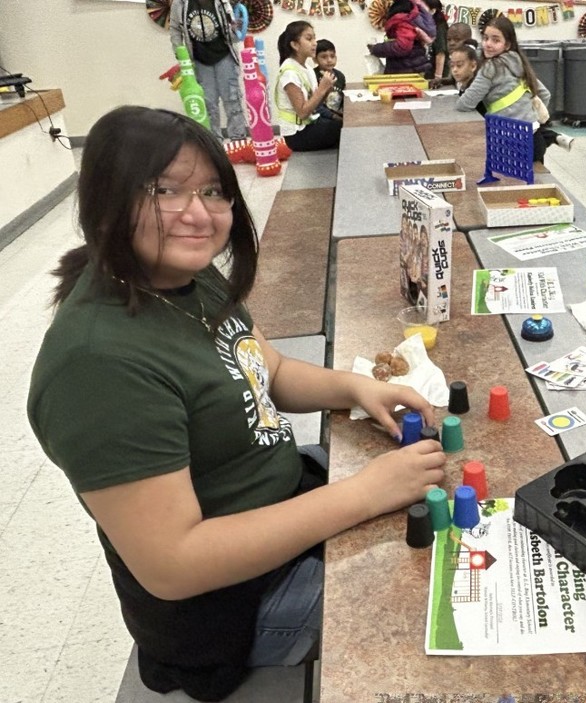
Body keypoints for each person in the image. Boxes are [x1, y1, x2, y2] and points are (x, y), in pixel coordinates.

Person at [26, 105, 446, 701]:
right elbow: (174, 564)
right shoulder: (97, 367)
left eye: (213, 191)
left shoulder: (183, 279)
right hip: (235, 608)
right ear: (106, 199)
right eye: (165, 191)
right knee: (430, 582)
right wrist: (363, 493)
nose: (198, 214)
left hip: (285, 509)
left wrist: (356, 388)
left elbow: (262, 366)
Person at [455, 16, 572, 163]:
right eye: (485, 38)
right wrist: (528, 116)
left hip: (512, 146)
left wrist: (463, 86)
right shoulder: (519, 61)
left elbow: (464, 104)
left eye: (495, 40)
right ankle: (550, 136)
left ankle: (551, 136)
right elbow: (545, 94)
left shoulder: (490, 68)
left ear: (507, 44)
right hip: (535, 141)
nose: (488, 44)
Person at [169, 0, 248, 140]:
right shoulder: (180, 4)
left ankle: (238, 138)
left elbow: (234, 29)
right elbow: (175, 28)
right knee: (208, 103)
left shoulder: (222, 2)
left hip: (224, 56)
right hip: (200, 60)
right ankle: (214, 141)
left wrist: (236, 28)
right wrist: (180, 53)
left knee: (232, 99)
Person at [274, 21, 341, 151]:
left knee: (343, 124)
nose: (315, 43)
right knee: (343, 130)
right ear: (295, 45)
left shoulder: (307, 69)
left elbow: (314, 105)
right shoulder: (290, 72)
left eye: (314, 38)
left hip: (310, 123)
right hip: (297, 134)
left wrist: (326, 91)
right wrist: (321, 90)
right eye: (309, 38)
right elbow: (303, 112)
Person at [367, 0, 433, 77]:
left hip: (406, 71)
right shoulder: (411, 15)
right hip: (411, 68)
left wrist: (376, 49)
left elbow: (402, 46)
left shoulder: (403, 20)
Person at [429, 22, 474, 88]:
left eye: (457, 40)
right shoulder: (454, 58)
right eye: (449, 40)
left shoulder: (474, 61)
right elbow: (454, 80)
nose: (451, 43)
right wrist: (440, 81)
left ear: (469, 41)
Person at [314, 38, 346, 126]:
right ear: (315, 59)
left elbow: (343, 101)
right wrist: (334, 116)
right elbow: (315, 105)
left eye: (332, 56)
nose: (329, 60)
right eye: (324, 57)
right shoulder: (313, 76)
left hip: (337, 115)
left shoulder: (340, 76)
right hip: (320, 118)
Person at [425, 0, 448, 82]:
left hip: (436, 74)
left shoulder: (439, 27)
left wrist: (438, 78)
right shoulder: (428, 24)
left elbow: (440, 53)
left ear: (433, 10)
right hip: (427, 72)